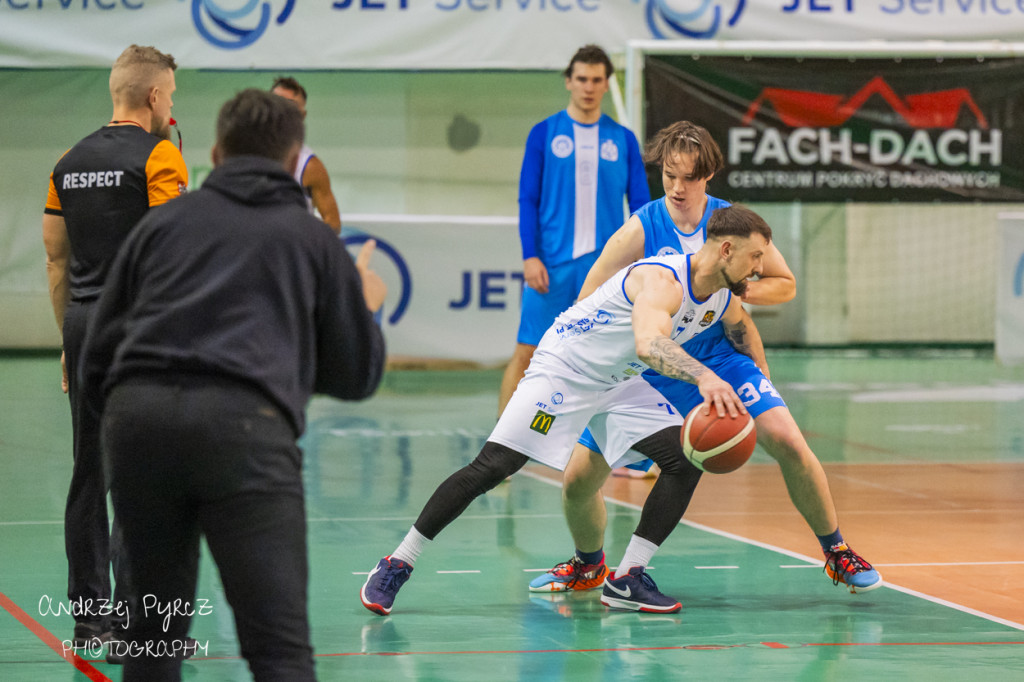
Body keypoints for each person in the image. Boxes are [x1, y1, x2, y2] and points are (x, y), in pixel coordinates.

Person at [80, 89, 387, 681]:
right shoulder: (313, 240)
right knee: (277, 649)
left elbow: (99, 356)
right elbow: (355, 377)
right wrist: (367, 307)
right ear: (295, 154)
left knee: (152, 643)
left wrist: (130, 422)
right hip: (245, 435)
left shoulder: (161, 226)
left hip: (138, 428)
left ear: (216, 153)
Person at [361, 205, 772, 616]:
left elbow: (742, 333)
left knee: (684, 459)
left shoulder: (721, 296)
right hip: (565, 369)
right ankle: (398, 561)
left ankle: (627, 577)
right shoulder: (663, 280)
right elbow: (649, 345)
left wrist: (765, 394)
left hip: (618, 382)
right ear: (727, 250)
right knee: (495, 465)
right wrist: (704, 377)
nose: (759, 268)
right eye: (755, 257)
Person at [527, 121, 881, 597]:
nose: (677, 187)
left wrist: (739, 287)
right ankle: (588, 565)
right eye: (669, 175)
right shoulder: (643, 226)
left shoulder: (733, 225)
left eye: (688, 177)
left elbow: (786, 283)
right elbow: (592, 294)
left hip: (720, 356)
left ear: (707, 176)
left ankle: (837, 551)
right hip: (649, 366)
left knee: (788, 440)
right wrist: (577, 366)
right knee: (577, 481)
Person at [42, 43, 188, 654]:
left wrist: (66, 341)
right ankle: (141, 628)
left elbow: (56, 260)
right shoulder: (160, 156)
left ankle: (88, 619)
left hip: (82, 326)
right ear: (155, 96)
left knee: (89, 474)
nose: (172, 105)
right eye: (171, 95)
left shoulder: (66, 162)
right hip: (141, 330)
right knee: (150, 476)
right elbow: (171, 254)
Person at [498, 44, 651, 416]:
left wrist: (643, 261)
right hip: (551, 266)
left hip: (606, 270)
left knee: (616, 363)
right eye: (581, 78)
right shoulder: (544, 134)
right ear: (569, 82)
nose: (588, 87)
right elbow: (527, 200)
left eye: (597, 80)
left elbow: (643, 208)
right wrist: (530, 256)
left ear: (605, 85)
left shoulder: (624, 140)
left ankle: (626, 457)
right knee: (528, 353)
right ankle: (497, 456)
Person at [271, 76, 342, 234]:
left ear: (302, 116)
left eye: (289, 106)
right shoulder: (246, 152)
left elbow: (333, 223)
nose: (280, 110)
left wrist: (306, 247)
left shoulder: (309, 165)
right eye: (275, 101)